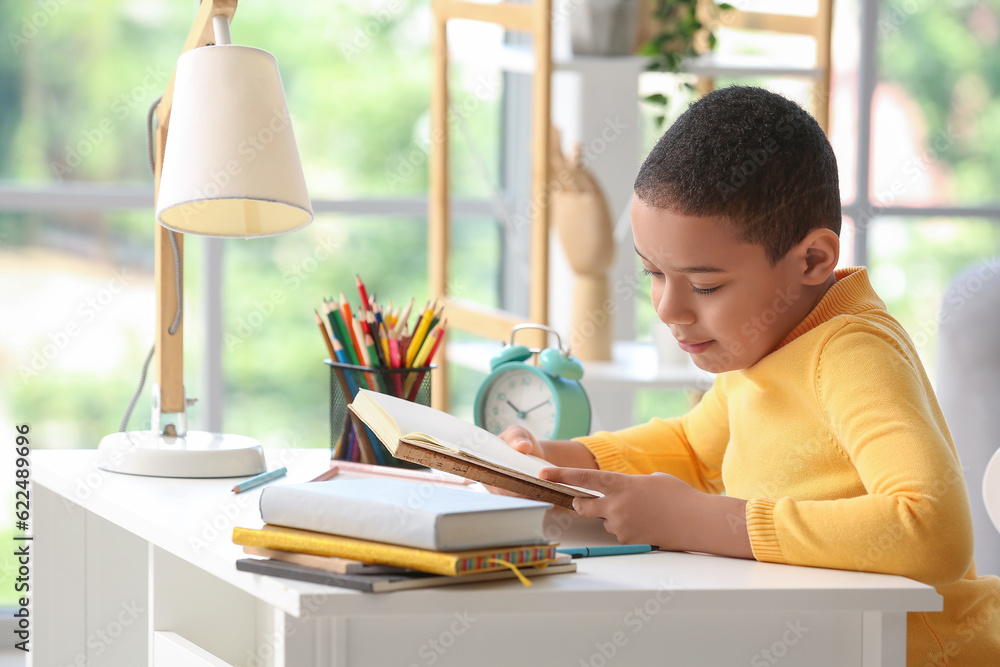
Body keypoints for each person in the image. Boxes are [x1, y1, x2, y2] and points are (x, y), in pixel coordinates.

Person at [499, 86, 1000, 665]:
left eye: (705, 285)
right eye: (653, 274)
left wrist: (698, 520)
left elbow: (930, 529)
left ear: (812, 261)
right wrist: (558, 464)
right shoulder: (760, 344)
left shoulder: (851, 352)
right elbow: (692, 448)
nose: (668, 309)